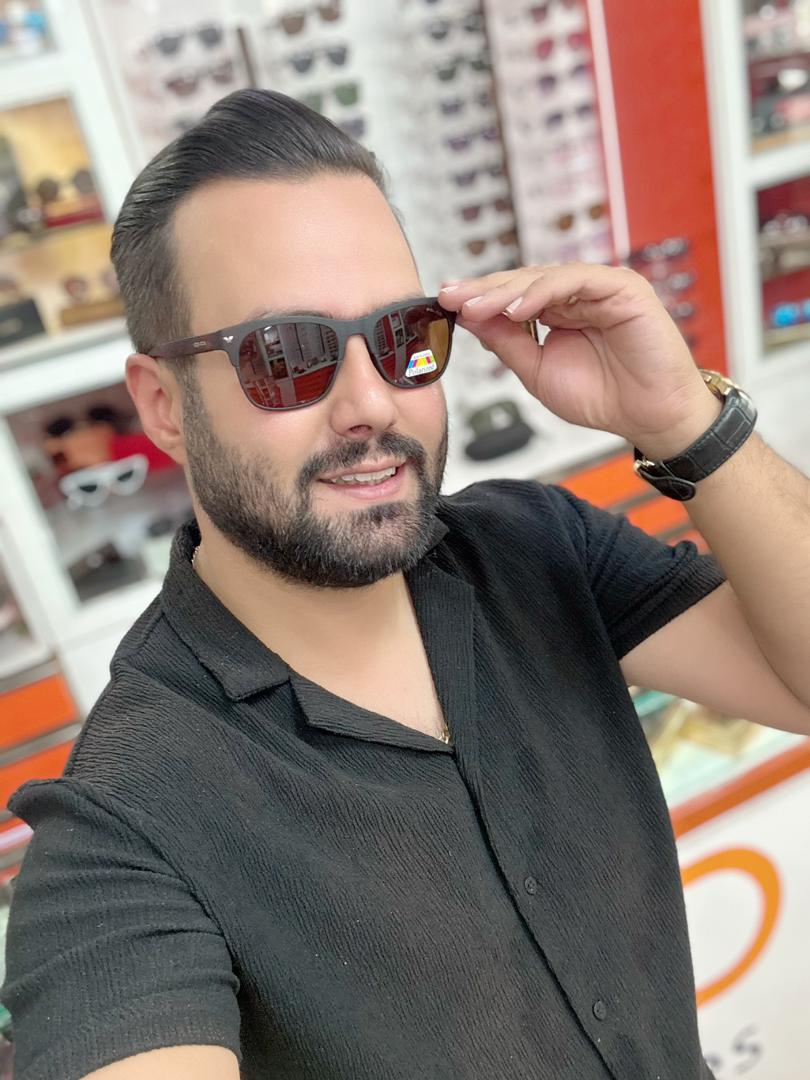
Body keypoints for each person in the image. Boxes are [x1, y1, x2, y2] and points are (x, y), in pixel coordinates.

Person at [2, 88, 809, 1080]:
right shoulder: (125, 830)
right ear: (163, 405)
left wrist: (686, 421)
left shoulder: (535, 548)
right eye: (284, 356)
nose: (372, 404)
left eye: (402, 336)